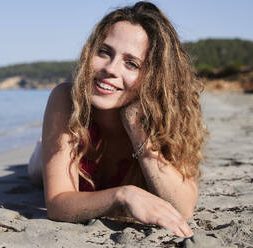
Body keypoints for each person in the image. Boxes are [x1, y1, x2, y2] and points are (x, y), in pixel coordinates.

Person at [28, 1, 208, 238]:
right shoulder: (66, 98)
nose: (111, 69)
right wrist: (124, 194)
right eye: (104, 52)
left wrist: (137, 129)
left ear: (154, 78)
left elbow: (183, 207)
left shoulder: (165, 119)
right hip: (45, 160)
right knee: (36, 167)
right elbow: (57, 203)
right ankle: (43, 144)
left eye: (131, 63)